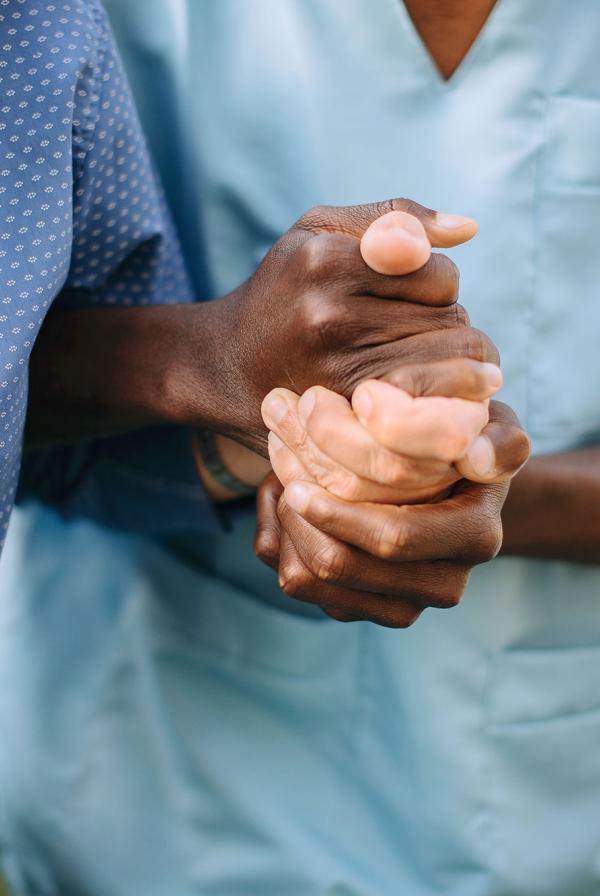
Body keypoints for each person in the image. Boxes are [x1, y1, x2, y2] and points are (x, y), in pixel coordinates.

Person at [0, 1, 598, 895]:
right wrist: (220, 373)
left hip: (539, 809)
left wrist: (465, 482)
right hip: (143, 797)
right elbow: (21, 348)